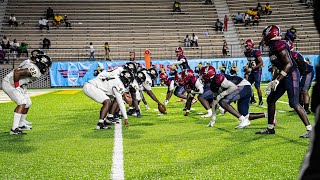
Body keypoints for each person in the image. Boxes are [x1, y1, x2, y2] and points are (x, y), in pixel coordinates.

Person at [256, 25, 312, 138]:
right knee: (271, 99)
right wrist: (273, 82)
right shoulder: (272, 48)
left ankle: (310, 129)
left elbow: (289, 64)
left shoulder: (279, 45)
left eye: (265, 35)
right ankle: (270, 128)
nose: (263, 37)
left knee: (294, 103)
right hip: (284, 75)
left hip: (292, 74)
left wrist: (278, 80)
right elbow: (278, 67)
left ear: (270, 34)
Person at [1, 52, 52, 135]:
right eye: (45, 66)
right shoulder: (35, 70)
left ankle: (21, 124)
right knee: (22, 102)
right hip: (9, 83)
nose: (46, 68)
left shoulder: (29, 63)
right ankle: (14, 129)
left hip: (16, 84)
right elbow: (17, 72)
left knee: (28, 103)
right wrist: (17, 86)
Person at [243, 39, 264, 105]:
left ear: (250, 45)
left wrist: (253, 68)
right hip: (252, 70)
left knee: (257, 86)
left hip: (257, 70)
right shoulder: (247, 53)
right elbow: (250, 62)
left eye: (247, 46)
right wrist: (247, 69)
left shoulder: (256, 52)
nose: (246, 47)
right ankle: (252, 99)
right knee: (248, 85)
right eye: (246, 46)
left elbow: (261, 62)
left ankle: (260, 101)